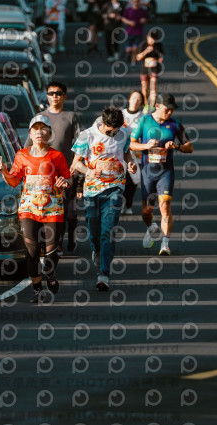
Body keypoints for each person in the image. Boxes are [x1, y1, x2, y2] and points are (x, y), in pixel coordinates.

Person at [0, 115, 71, 302]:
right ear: (30, 133)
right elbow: (14, 181)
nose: (39, 132)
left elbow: (68, 178)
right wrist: (4, 172)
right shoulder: (22, 155)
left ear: (49, 133)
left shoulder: (57, 156)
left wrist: (64, 182)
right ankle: (38, 290)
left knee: (51, 253)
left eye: (43, 128)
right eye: (35, 129)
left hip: (53, 208)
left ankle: (50, 273)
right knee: (32, 251)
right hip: (29, 208)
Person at [71, 107, 137, 291]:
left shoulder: (124, 134)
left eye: (116, 131)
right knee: (94, 230)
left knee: (108, 230)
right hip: (92, 190)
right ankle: (97, 250)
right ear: (103, 124)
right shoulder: (87, 135)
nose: (113, 134)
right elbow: (76, 163)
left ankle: (103, 274)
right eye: (110, 131)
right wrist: (89, 171)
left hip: (115, 187)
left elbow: (126, 153)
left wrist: (130, 163)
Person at [129, 93, 193, 256]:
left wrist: (177, 146)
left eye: (172, 110)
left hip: (166, 172)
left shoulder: (175, 124)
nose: (170, 112)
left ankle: (165, 244)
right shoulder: (144, 121)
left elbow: (189, 147)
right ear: (157, 106)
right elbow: (131, 144)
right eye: (167, 109)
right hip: (147, 172)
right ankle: (151, 227)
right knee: (147, 211)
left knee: (165, 206)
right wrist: (146, 146)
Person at [25, 81, 82, 254]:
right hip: (42, 174)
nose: (54, 96)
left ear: (64, 96)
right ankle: (55, 245)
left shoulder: (71, 117)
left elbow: (80, 144)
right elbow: (27, 146)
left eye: (58, 93)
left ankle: (70, 236)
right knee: (48, 209)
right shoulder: (39, 117)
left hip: (66, 172)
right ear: (47, 96)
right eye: (51, 93)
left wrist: (76, 166)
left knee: (68, 211)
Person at [121, 90, 144, 214]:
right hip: (120, 152)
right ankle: (120, 203)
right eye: (134, 98)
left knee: (133, 180)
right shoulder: (121, 114)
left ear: (141, 102)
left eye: (139, 99)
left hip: (137, 154)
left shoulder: (143, 117)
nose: (136, 101)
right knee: (121, 179)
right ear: (129, 99)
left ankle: (128, 204)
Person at [135, 28, 163, 109]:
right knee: (144, 88)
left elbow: (161, 54)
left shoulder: (158, 44)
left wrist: (160, 58)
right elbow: (138, 57)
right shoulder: (143, 44)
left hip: (154, 68)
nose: (153, 41)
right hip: (145, 69)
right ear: (147, 37)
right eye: (151, 38)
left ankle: (152, 106)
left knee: (153, 87)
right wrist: (146, 51)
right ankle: (145, 105)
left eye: (155, 39)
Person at [121, 0, 148, 66]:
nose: (136, 3)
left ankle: (133, 62)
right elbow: (123, 18)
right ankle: (128, 54)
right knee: (128, 49)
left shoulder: (142, 11)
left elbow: (146, 19)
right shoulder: (128, 10)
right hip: (129, 32)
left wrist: (144, 20)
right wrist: (129, 22)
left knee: (135, 48)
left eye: (137, 1)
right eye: (134, 1)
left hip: (138, 32)